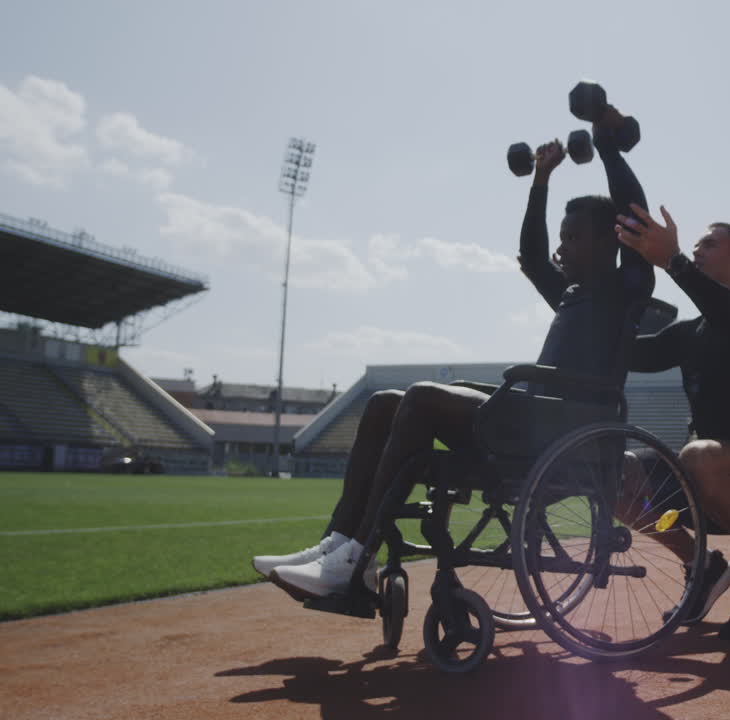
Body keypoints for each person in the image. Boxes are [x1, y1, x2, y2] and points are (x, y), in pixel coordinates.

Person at [253, 118, 653, 601]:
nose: (561, 248)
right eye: (562, 237)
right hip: (534, 418)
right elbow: (531, 256)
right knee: (383, 403)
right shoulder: (571, 293)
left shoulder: (625, 289)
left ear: (611, 242)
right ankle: (340, 542)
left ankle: (357, 559)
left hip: (565, 429)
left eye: (573, 238)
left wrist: (608, 149)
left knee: (422, 398)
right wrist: (541, 180)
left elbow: (633, 216)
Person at [615, 205, 730, 641]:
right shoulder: (688, 333)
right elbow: (629, 353)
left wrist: (674, 260)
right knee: (613, 474)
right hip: (698, 490)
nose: (698, 249)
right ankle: (702, 564)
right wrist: (578, 297)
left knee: (700, 456)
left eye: (709, 244)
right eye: (696, 244)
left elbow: (727, 314)